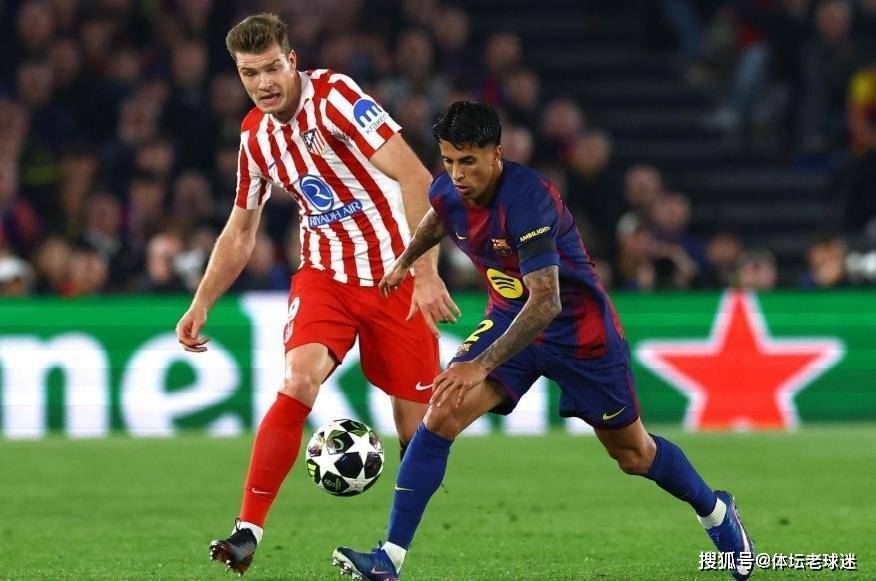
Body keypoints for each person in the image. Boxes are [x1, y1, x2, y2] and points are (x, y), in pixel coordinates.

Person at [332, 102, 755, 581]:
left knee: (633, 455)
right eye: (448, 161)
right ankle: (389, 559)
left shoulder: (528, 199)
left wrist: (480, 365)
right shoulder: (449, 189)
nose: (458, 174)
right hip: (509, 316)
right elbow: (437, 217)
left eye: (468, 161)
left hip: (579, 334)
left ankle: (716, 511)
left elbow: (548, 301)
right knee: (442, 411)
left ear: (496, 154)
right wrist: (406, 261)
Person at [173, 13, 460, 575]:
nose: (263, 83)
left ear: (292, 61)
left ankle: (390, 555)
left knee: (419, 432)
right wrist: (201, 301)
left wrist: (425, 273)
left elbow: (416, 177)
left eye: (271, 68)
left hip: (396, 277)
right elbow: (241, 229)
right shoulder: (255, 138)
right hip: (325, 277)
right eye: (249, 73)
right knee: (298, 379)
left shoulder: (336, 99)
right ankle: (247, 531)